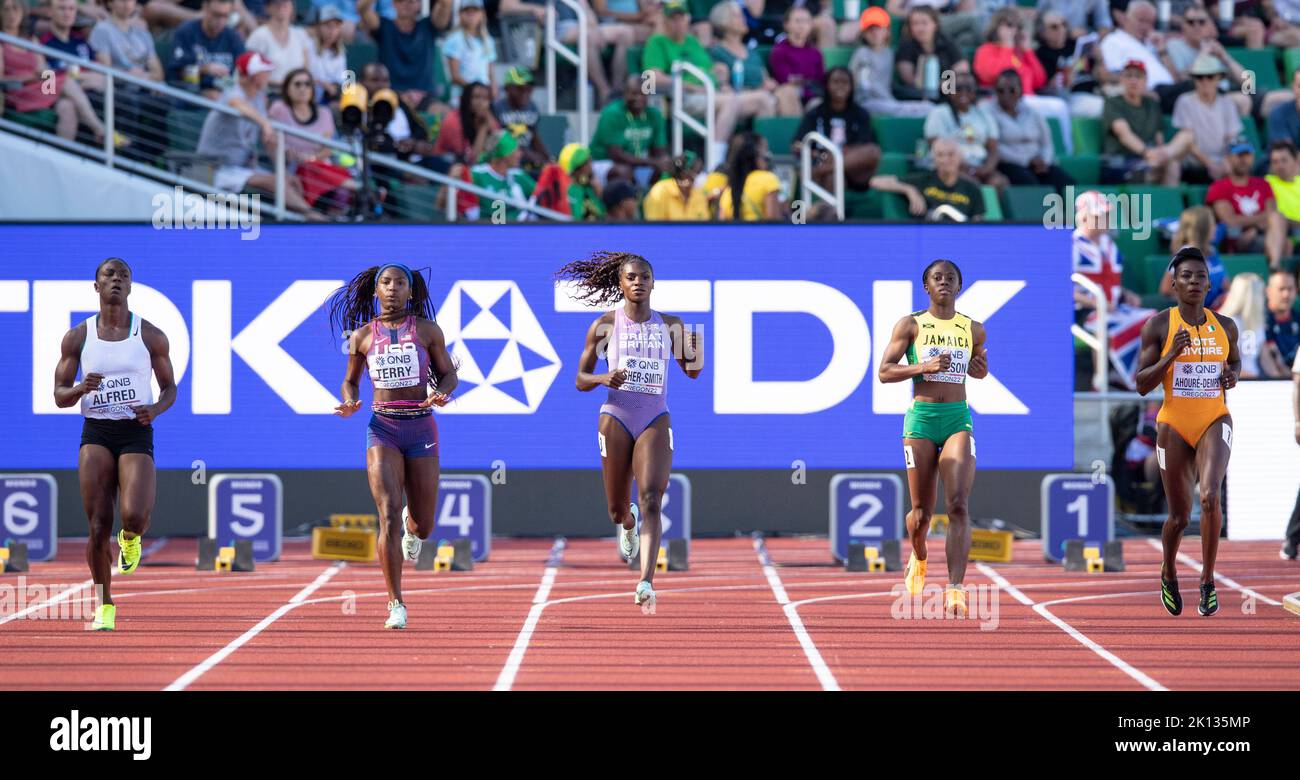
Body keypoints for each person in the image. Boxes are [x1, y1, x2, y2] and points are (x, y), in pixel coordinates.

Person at [558, 250, 704, 613]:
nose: (638, 282)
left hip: (655, 416)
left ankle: (645, 582)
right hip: (616, 416)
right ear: (620, 284)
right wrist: (603, 377)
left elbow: (694, 371)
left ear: (654, 283)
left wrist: (698, 349)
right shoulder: (605, 325)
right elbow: (579, 379)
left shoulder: (671, 325)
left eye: (644, 277)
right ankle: (627, 522)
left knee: (652, 496)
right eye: (631, 277)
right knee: (616, 509)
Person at [329, 264, 457, 629]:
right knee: (387, 512)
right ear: (375, 291)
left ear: (410, 292)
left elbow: (449, 373)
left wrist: (443, 392)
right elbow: (350, 382)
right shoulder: (363, 337)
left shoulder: (428, 331)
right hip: (382, 427)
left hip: (421, 427)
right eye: (385, 283)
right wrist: (350, 401)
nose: (392, 289)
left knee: (425, 525)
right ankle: (395, 603)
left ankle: (412, 527)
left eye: (400, 283)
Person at [53, 259, 177, 632]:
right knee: (96, 526)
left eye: (123, 275)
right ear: (96, 286)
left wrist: (154, 410)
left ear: (130, 287)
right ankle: (104, 604)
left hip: (135, 430)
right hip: (96, 431)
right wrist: (79, 389)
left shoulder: (150, 334)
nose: (116, 280)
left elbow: (170, 388)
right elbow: (59, 395)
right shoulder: (78, 336)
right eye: (109, 275)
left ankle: (130, 539)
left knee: (134, 516)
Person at [878, 259, 988, 617]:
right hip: (922, 420)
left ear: (959, 286)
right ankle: (919, 553)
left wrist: (980, 370)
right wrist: (922, 367)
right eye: (936, 278)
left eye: (950, 278)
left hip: (957, 418)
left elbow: (979, 370)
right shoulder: (911, 325)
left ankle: (956, 588)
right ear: (926, 286)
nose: (943, 283)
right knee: (922, 514)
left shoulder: (973, 329)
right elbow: (884, 372)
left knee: (958, 504)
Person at [1135, 245, 1241, 617]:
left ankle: (1208, 581)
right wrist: (1170, 356)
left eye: (1200, 276)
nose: (1194, 281)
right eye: (1186, 276)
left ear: (1210, 284)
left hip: (1215, 417)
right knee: (1179, 516)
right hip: (1174, 424)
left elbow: (1236, 362)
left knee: (1210, 496)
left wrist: (1233, 376)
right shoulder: (1159, 325)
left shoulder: (1225, 326)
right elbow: (1141, 384)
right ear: (1174, 285)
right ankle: (1168, 569)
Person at [196, 51, 324, 218]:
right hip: (216, 169)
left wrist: (283, 170)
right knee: (275, 182)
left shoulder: (258, 97)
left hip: (243, 167)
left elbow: (270, 141)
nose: (268, 76)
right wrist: (264, 123)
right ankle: (314, 217)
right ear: (251, 76)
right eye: (264, 72)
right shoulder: (232, 91)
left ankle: (300, 226)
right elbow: (236, 103)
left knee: (289, 180)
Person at [2, 0, 112, 145]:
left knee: (67, 106)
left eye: (16, 9)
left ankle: (62, 156)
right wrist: (31, 77)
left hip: (41, 88)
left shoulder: (31, 39)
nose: (12, 14)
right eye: (6, 10)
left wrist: (43, 75)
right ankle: (99, 129)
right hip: (20, 92)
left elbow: (42, 69)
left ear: (23, 12)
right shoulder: (1, 42)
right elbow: (2, 79)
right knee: (65, 79)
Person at [641, 0, 735, 165]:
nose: (678, 22)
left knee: (764, 101)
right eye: (673, 18)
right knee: (731, 102)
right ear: (664, 21)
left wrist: (720, 77)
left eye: (681, 17)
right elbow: (650, 79)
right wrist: (690, 86)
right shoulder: (656, 42)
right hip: (680, 98)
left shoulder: (692, 41)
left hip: (710, 93)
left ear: (688, 19)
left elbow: (709, 69)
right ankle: (715, 162)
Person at [972, 7, 1072, 150]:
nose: (1013, 30)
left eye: (1017, 26)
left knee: (1061, 105)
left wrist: (1028, 51)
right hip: (1002, 100)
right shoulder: (986, 50)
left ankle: (1067, 150)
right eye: (1008, 25)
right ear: (997, 27)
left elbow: (1040, 80)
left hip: (1027, 100)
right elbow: (993, 75)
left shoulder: (1020, 52)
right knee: (1058, 106)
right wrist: (1006, 46)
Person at [499, 0, 627, 105]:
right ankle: (604, 91)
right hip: (547, 28)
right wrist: (534, 9)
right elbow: (506, 6)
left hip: (580, 26)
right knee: (588, 36)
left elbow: (586, 10)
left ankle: (618, 90)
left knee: (624, 33)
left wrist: (594, 28)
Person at [269, 67, 355, 213]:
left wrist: (311, 159)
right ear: (287, 88)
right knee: (309, 169)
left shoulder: (325, 112)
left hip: (319, 164)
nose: (303, 88)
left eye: (307, 84)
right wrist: (290, 153)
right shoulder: (279, 109)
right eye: (297, 84)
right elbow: (272, 140)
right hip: (293, 167)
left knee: (334, 186)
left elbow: (327, 148)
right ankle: (357, 186)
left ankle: (335, 222)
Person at [1100, 59, 1195, 186]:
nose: (1133, 80)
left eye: (1138, 76)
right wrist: (1148, 153)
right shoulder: (1113, 102)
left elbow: (1158, 137)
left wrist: (1160, 154)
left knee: (1175, 161)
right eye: (1129, 76)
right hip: (1120, 162)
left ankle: (1168, 205)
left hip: (1150, 159)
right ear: (1121, 79)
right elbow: (1124, 135)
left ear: (1145, 81)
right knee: (1150, 170)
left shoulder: (1152, 104)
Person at [91, 0, 167, 155]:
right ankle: (129, 158)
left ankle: (154, 160)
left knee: (166, 101)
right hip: (117, 90)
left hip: (141, 88)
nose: (126, 3)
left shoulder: (142, 33)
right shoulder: (102, 30)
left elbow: (158, 73)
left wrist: (143, 77)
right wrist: (128, 76)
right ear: (110, 3)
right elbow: (105, 71)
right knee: (130, 103)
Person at [709, 1, 800, 119]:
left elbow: (766, 78)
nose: (743, 19)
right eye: (737, 16)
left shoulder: (751, 52)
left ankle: (793, 136)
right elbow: (723, 87)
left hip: (762, 94)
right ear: (723, 21)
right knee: (765, 99)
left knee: (788, 91)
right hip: (738, 99)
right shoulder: (717, 52)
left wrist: (769, 84)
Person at [985, 69, 1073, 189]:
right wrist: (1027, 161)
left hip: (1038, 163)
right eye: (1001, 90)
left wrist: (1044, 160)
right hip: (1009, 164)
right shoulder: (988, 111)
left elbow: (1046, 143)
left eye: (1012, 90)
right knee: (1031, 185)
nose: (1006, 95)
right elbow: (994, 147)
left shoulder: (1032, 111)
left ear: (1021, 91)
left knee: (1066, 183)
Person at [358, 0, 452, 110]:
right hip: (391, 95)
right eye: (400, 1)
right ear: (393, 3)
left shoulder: (428, 26)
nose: (405, 4)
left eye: (411, 1)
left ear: (419, 5)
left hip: (425, 97)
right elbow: (362, 8)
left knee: (447, 115)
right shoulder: (384, 26)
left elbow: (446, 3)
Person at [1098, 1, 1188, 113]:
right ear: (1126, 19)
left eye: (1149, 22)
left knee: (1196, 87)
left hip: (1169, 92)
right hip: (1150, 94)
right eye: (1141, 20)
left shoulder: (1151, 43)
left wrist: (1162, 51)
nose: (1145, 26)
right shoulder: (1114, 41)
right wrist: (1143, 92)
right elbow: (1113, 76)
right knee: (1193, 87)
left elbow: (1174, 79)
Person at [924, 72, 1007, 189]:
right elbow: (937, 148)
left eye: (969, 88)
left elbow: (993, 149)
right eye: (958, 88)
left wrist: (987, 168)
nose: (963, 92)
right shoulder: (939, 113)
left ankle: (992, 208)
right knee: (970, 183)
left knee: (999, 182)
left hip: (980, 166)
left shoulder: (984, 114)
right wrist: (966, 168)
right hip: (950, 166)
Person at [590, 75, 671, 189]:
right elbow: (616, 154)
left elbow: (659, 151)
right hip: (604, 162)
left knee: (664, 170)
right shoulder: (612, 113)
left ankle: (648, 203)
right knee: (623, 171)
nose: (638, 98)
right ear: (624, 94)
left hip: (637, 163)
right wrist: (653, 162)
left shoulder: (654, 115)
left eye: (642, 94)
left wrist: (665, 162)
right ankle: (618, 205)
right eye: (633, 93)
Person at [849, 6, 931, 119]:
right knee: (910, 109)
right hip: (868, 102)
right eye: (870, 29)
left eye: (878, 28)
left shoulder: (888, 53)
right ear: (863, 33)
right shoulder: (863, 53)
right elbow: (865, 87)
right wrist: (890, 100)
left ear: (887, 31)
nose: (874, 33)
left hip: (887, 102)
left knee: (929, 107)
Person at [1171, 55, 1243, 183]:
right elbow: (1188, 142)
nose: (1204, 81)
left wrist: (1226, 161)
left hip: (1223, 162)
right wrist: (1210, 164)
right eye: (1199, 77)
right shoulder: (1185, 101)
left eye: (1209, 77)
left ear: (1218, 78)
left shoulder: (1227, 102)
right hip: (1194, 163)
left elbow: (1231, 138)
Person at [1073, 189, 1142, 312]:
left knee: (1152, 320)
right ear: (1084, 218)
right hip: (1085, 315)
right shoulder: (1072, 245)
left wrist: (1126, 295)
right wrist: (1096, 303)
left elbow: (1108, 280)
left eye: (1107, 215)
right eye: (1099, 216)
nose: (1106, 219)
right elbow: (1060, 290)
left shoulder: (1109, 245)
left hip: (1114, 311)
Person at [167, 0, 245, 99]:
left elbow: (243, 76)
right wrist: (204, 70)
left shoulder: (233, 38)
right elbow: (176, 75)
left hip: (223, 97)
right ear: (205, 8)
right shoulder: (186, 32)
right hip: (188, 95)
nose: (221, 21)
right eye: (216, 15)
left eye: (225, 16)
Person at [1207, 141, 1274, 255]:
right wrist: (1259, 221)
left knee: (1285, 242)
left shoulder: (1263, 184)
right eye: (1239, 155)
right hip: (1236, 241)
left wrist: (1255, 230)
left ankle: (1278, 269)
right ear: (1228, 158)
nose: (1243, 160)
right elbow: (1230, 221)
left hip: (1262, 234)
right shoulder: (1219, 186)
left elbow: (1273, 214)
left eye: (1247, 155)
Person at [894, 6, 969, 105]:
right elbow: (908, 78)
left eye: (924, 23)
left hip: (946, 94)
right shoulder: (906, 46)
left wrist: (943, 83)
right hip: (916, 98)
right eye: (915, 23)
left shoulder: (946, 42)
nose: (920, 28)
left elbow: (962, 68)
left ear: (935, 24)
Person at [1159, 206, 1227, 308]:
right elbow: (1166, 289)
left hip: (1219, 307)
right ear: (1203, 229)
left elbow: (1225, 285)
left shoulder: (1212, 251)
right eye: (1213, 224)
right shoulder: (1187, 253)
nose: (1216, 228)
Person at [906, 137, 986, 221]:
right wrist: (910, 190)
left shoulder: (972, 189)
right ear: (933, 159)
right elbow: (891, 181)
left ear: (960, 157)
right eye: (940, 155)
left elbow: (978, 224)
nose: (945, 160)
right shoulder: (923, 180)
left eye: (951, 154)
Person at [40, 0, 106, 94]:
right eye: (61, 8)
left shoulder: (81, 41)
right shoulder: (42, 43)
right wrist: (82, 78)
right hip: (64, 96)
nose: (67, 13)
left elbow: (100, 72)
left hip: (95, 93)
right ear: (50, 12)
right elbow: (47, 84)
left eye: (71, 9)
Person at [717, 131, 786, 220]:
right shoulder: (768, 179)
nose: (768, 156)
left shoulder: (728, 190)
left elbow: (721, 226)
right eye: (765, 151)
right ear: (756, 155)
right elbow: (773, 222)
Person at [468, 131, 537, 220]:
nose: (520, 154)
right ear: (506, 155)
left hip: (524, 229)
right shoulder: (477, 175)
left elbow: (541, 195)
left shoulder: (519, 175)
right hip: (489, 229)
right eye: (516, 150)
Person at [245, 0, 313, 90]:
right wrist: (285, 85)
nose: (281, 6)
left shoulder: (301, 35)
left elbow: (306, 70)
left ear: (292, 6)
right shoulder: (258, 36)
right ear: (268, 8)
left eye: (286, 2)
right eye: (276, 2)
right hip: (269, 93)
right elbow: (251, 73)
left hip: (297, 93)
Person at [493, 66, 549, 172]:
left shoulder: (532, 107)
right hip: (504, 158)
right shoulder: (497, 107)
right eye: (519, 88)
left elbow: (534, 136)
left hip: (527, 160)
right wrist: (524, 153)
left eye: (529, 88)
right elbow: (494, 139)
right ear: (507, 88)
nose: (525, 92)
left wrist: (547, 158)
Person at [440, 0, 496, 105]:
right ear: (460, 14)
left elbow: (490, 73)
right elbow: (455, 76)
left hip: (484, 99)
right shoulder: (454, 39)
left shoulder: (489, 41)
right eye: (467, 11)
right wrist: (476, 91)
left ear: (482, 14)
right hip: (461, 98)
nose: (471, 15)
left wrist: (492, 90)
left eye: (475, 11)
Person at [769, 5, 825, 105]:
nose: (802, 25)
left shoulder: (816, 52)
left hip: (814, 98)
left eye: (806, 21)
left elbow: (820, 80)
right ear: (786, 24)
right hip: (790, 98)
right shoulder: (779, 51)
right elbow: (785, 79)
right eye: (798, 21)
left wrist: (801, 80)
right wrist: (808, 81)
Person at [643, 153, 711, 220]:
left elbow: (704, 225)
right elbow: (653, 227)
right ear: (683, 174)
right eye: (696, 173)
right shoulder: (660, 191)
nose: (699, 177)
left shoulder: (698, 194)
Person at [1265, 139, 1300, 266]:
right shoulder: (1267, 183)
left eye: (1284, 160)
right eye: (1275, 162)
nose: (1279, 165)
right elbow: (1272, 216)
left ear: (1296, 161)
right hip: (1286, 234)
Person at [1264, 267, 1299, 377]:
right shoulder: (1260, 322)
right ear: (1268, 291)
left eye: (1290, 289)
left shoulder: (1298, 319)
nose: (1286, 294)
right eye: (1281, 289)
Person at [307, 5, 347, 102]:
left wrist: (335, 88)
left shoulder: (340, 52)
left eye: (336, 26)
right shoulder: (307, 46)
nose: (332, 31)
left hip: (329, 100)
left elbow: (343, 82)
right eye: (328, 26)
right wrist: (323, 83)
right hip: (308, 98)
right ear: (318, 26)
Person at [1036, 0, 1110, 38]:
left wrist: (1089, 36)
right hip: (1053, 46)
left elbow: (1105, 25)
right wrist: (1067, 33)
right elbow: (1038, 27)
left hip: (1080, 43)